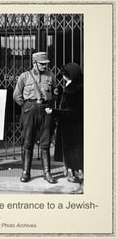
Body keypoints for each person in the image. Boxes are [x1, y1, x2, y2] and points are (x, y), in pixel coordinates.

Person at [13, 52, 57, 184]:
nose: (45, 66)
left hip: (45, 111)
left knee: (45, 142)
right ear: (35, 63)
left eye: (46, 64)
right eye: (42, 64)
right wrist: (27, 106)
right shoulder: (24, 76)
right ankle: (26, 172)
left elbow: (55, 93)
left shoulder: (51, 76)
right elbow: (16, 96)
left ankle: (47, 172)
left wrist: (49, 102)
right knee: (28, 142)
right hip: (30, 110)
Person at [45, 63, 83, 193]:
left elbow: (71, 111)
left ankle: (75, 175)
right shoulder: (77, 86)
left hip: (70, 126)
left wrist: (54, 112)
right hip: (74, 125)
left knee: (72, 151)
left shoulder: (72, 90)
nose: (63, 78)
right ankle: (74, 172)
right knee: (76, 151)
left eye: (65, 75)